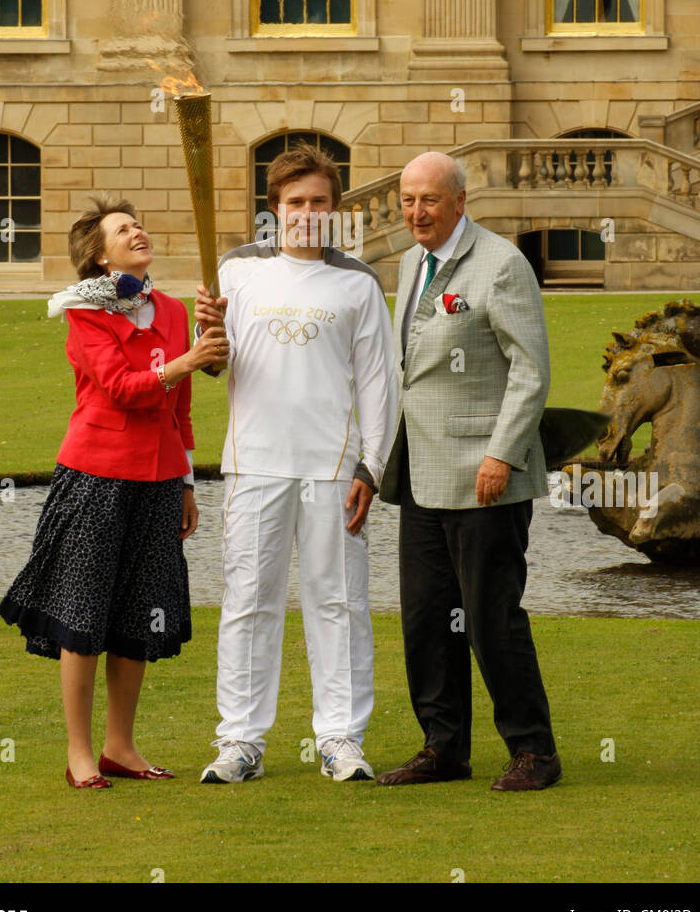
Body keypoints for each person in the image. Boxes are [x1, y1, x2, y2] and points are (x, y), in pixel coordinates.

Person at [0, 196, 228, 789]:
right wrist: (186, 362)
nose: (138, 231)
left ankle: (119, 747)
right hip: (95, 475)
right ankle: (79, 753)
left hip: (157, 483)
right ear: (100, 257)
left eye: (139, 224)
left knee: (136, 616)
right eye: (123, 230)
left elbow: (180, 411)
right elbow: (123, 389)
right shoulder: (83, 312)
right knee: (83, 613)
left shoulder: (174, 312)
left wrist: (185, 481)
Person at [193, 144, 398, 783]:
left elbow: (380, 385)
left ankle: (340, 739)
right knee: (249, 600)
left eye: (318, 202)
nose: (307, 213)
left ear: (334, 209)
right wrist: (205, 337)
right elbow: (216, 364)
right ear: (274, 208)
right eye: (295, 202)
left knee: (337, 602)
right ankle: (241, 744)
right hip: (254, 464)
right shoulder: (235, 272)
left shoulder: (357, 283)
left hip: (334, 469)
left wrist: (372, 467)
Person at [376, 152, 561, 791]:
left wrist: (502, 453)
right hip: (424, 475)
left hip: (487, 475)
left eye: (429, 199)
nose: (416, 212)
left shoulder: (502, 265)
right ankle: (444, 748)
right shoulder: (409, 263)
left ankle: (534, 751)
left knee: (490, 617)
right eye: (407, 200)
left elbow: (530, 370)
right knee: (428, 617)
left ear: (460, 201)